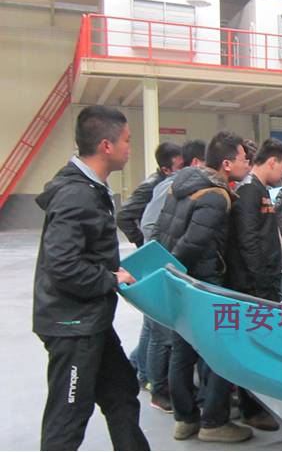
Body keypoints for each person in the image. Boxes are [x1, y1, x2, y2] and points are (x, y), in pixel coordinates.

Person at [33, 105, 150, 451]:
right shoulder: (77, 194)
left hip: (91, 319)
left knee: (121, 394)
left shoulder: (91, 188)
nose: (130, 148)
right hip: (72, 325)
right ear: (106, 145)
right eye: (127, 140)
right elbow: (63, 264)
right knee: (68, 416)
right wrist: (111, 278)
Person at [151, 131, 252, 443]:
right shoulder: (216, 195)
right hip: (202, 284)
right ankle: (214, 422)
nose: (247, 164)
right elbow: (193, 243)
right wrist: (179, 272)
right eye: (243, 159)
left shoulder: (182, 184)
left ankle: (185, 420)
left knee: (182, 351)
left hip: (180, 284)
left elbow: (161, 230)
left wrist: (167, 271)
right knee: (220, 351)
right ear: (226, 164)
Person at [137, 138, 207, 414]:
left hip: (168, 266)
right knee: (160, 334)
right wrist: (163, 254)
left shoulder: (186, 185)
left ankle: (147, 375)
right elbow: (148, 225)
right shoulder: (170, 186)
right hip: (161, 267)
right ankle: (159, 389)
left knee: (163, 332)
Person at [119, 142, 182, 391]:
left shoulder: (165, 182)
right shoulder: (154, 186)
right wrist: (144, 246)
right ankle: (149, 377)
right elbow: (126, 217)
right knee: (156, 328)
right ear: (166, 170)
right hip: (153, 258)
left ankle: (139, 369)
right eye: (180, 166)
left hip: (155, 255)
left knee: (151, 323)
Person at [226, 138, 282, 301]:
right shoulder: (248, 191)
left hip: (266, 280)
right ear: (272, 162)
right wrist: (263, 287)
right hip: (254, 288)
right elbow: (248, 241)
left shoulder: (259, 189)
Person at [117, 141, 183, 248]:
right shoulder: (151, 186)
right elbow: (123, 216)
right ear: (166, 170)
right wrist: (141, 242)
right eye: (181, 166)